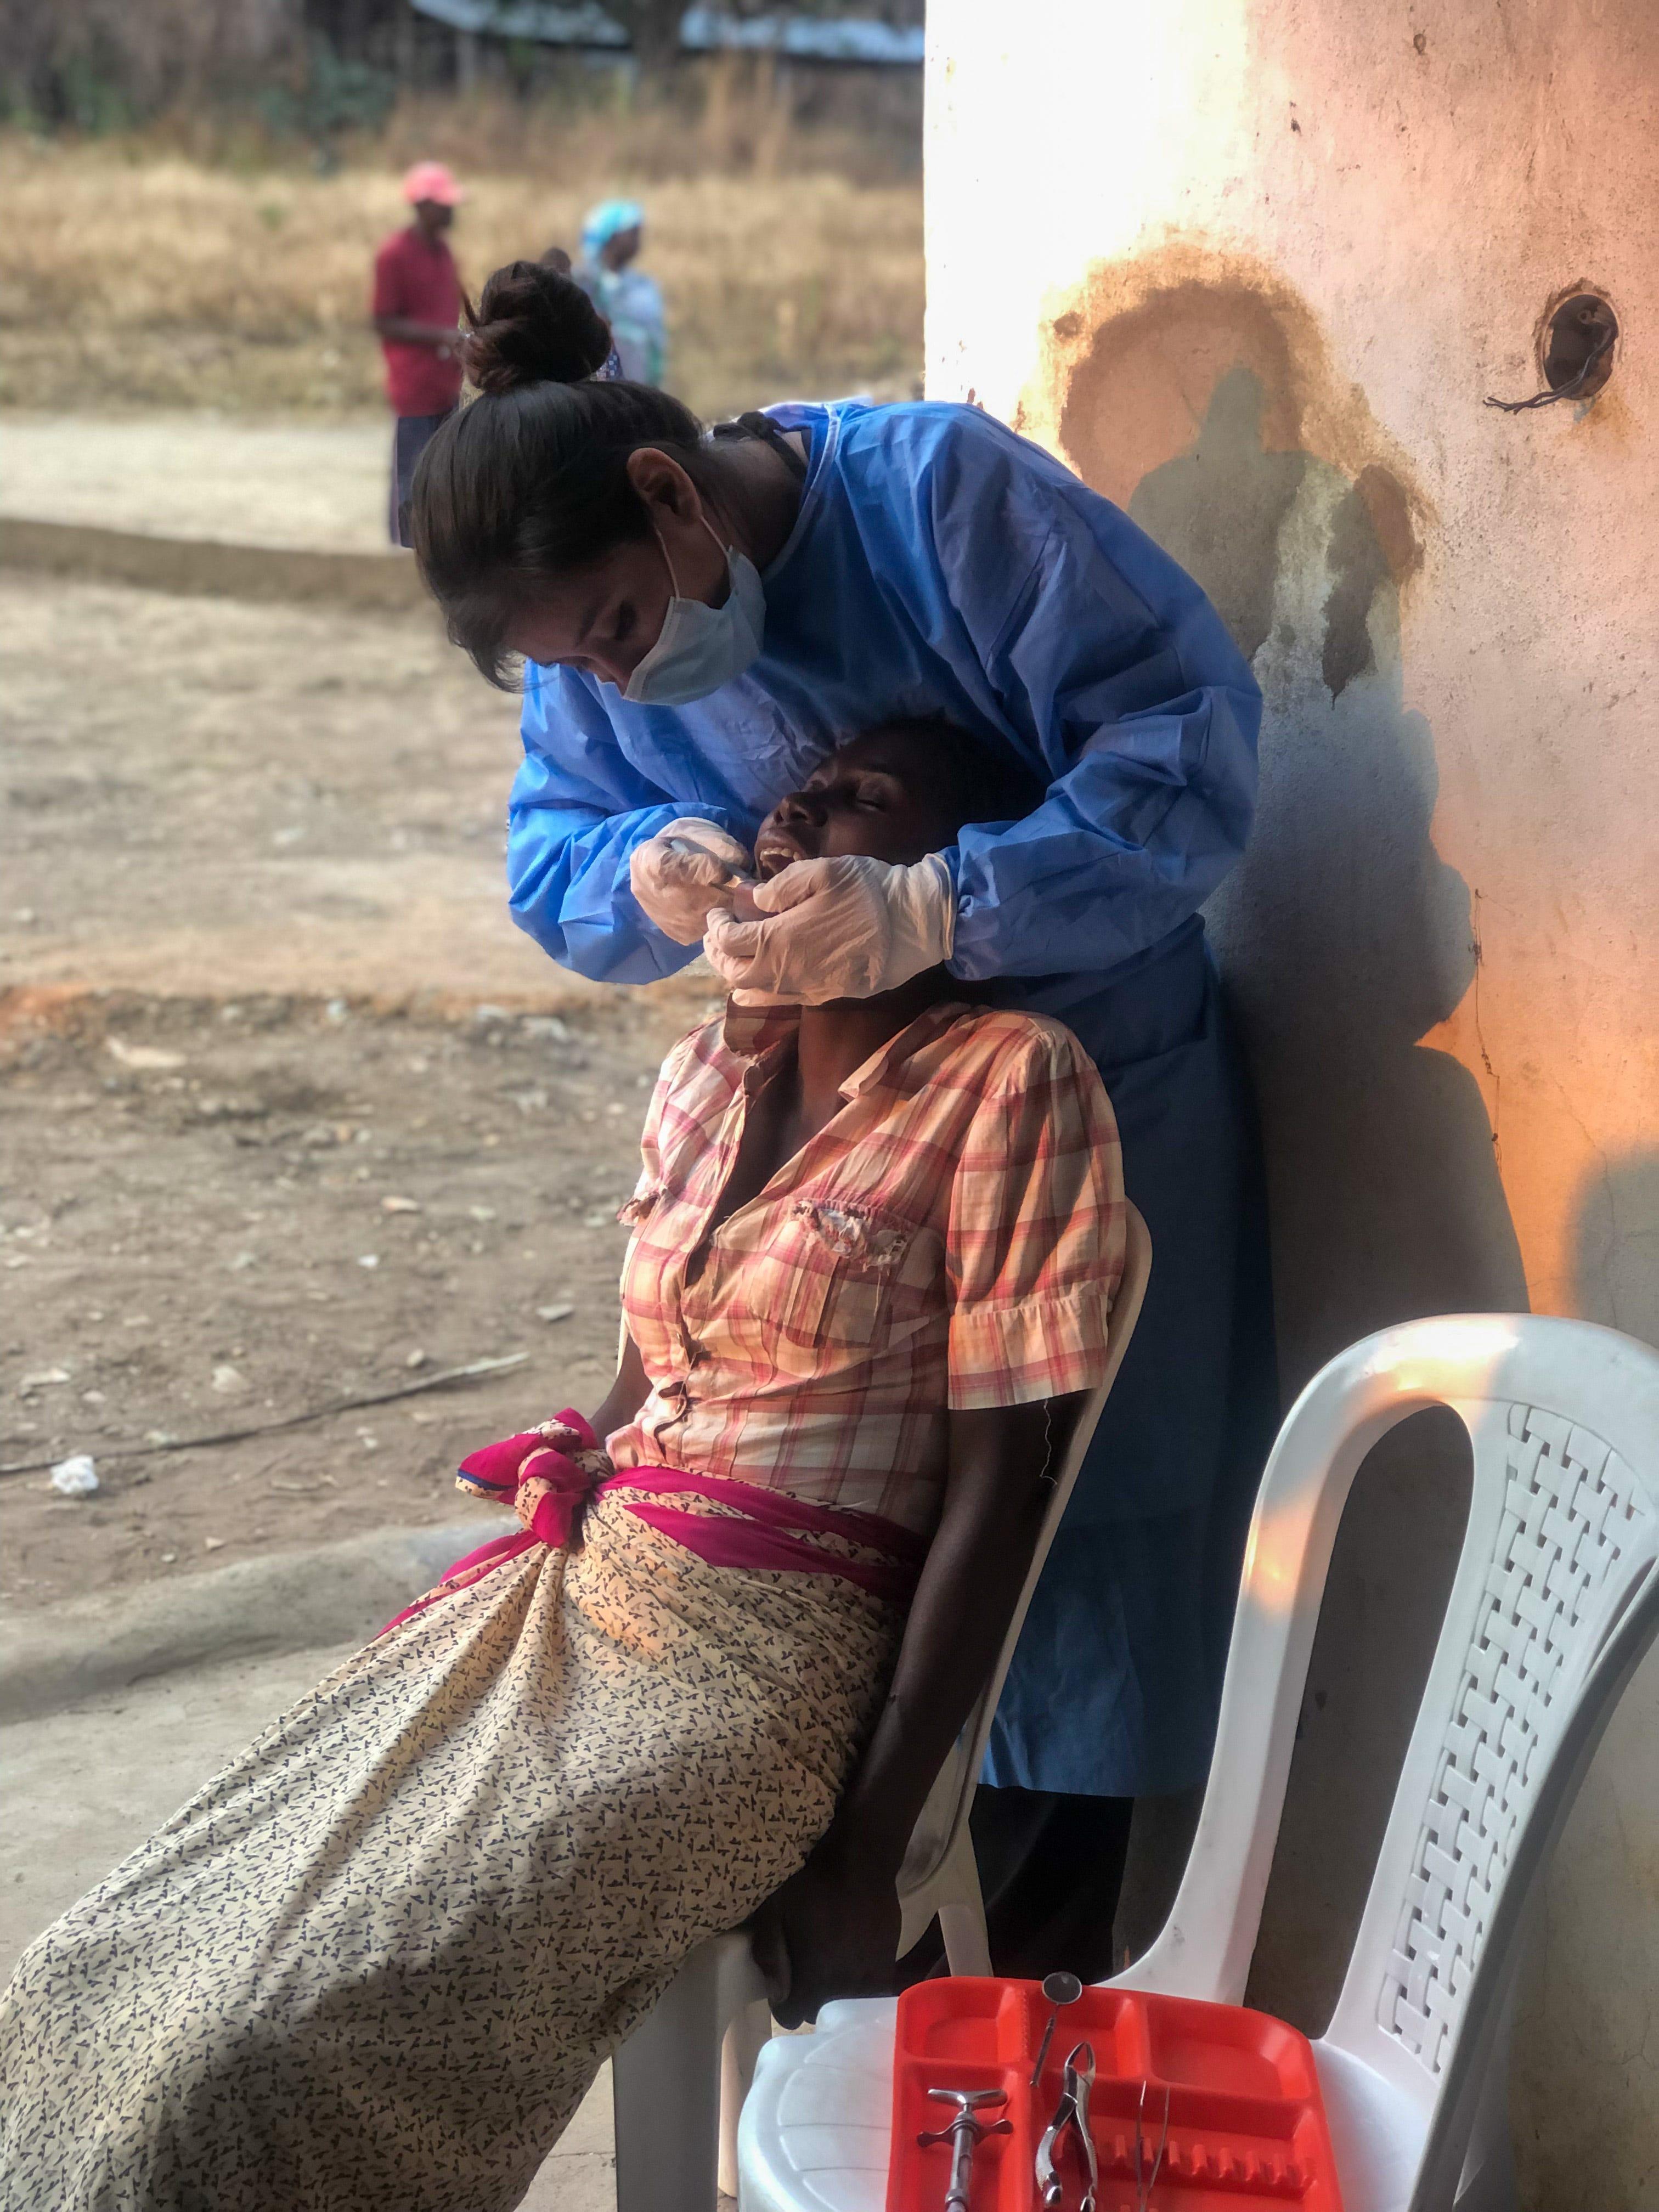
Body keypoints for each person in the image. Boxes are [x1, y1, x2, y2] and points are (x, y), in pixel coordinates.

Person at [0, 725, 1124, 2212]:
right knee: (102, 1960)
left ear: (932, 886)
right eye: (802, 783)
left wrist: (869, 1843)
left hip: (766, 1657)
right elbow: (653, 1371)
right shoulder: (702, 1074)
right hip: (574, 1592)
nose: (798, 805)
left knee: (271, 2042)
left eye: (864, 799)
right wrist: (576, 1457)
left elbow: (997, 1488)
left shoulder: (1010, 1081)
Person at [410, 258, 1279, 1983]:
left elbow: (1187, 749)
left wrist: (953, 904)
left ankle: (993, 2008)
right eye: (579, 665)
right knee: (830, 1555)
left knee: (1059, 1563)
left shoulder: (941, 504)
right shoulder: (603, 652)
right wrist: (645, 869)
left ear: (667, 494)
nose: (625, 689)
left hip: (1092, 1074)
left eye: (616, 632)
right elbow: (559, 842)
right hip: (848, 1143)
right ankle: (854, 1949)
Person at [371, 160, 466, 549]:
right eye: (444, 205)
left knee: (441, 474)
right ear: (423, 206)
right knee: (411, 475)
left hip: (446, 383)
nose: (451, 211)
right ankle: (402, 552)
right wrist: (442, 336)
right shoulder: (394, 255)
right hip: (414, 385)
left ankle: (432, 548)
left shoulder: (444, 253)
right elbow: (384, 321)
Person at [573, 196, 666, 386]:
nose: (638, 238)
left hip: (640, 389)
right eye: (632, 232)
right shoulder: (581, 282)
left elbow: (655, 346)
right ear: (612, 236)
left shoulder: (643, 286)